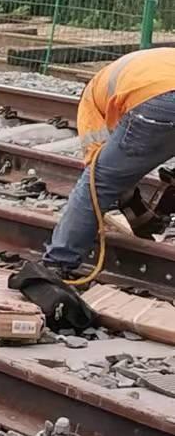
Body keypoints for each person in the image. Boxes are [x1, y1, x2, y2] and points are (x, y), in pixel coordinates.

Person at [41, 47, 175, 279]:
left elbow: (96, 169)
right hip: (158, 92)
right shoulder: (148, 63)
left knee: (98, 182)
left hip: (158, 100)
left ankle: (59, 262)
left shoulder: (91, 100)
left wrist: (120, 192)